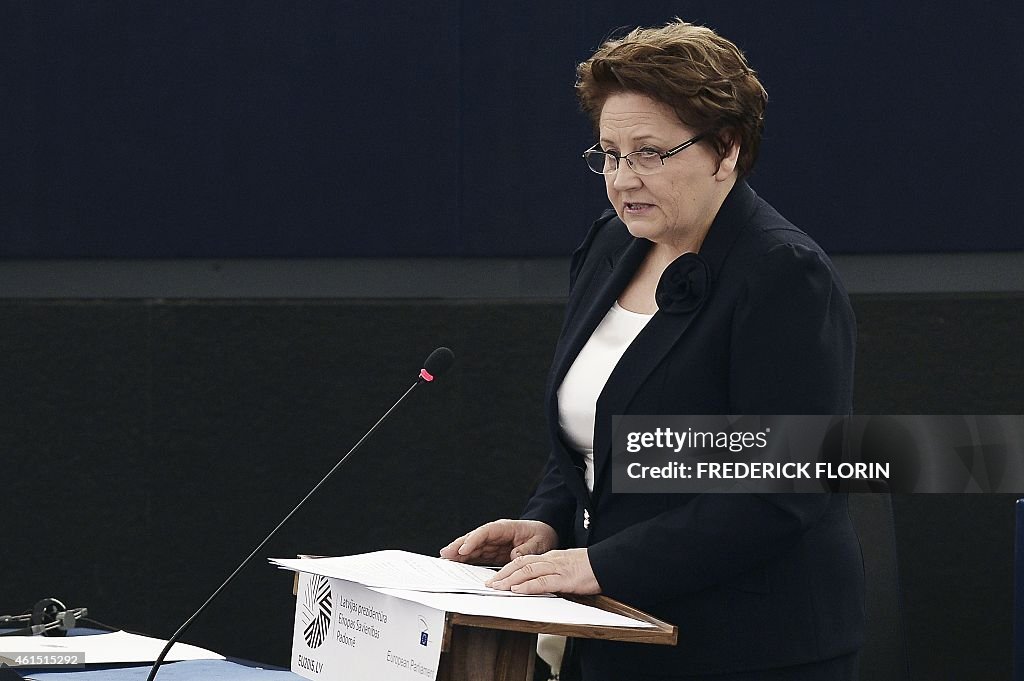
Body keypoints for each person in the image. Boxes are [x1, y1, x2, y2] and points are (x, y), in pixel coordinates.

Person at [441, 19, 863, 681]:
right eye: (608, 153)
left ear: (726, 149)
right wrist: (549, 521)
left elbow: (780, 492)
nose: (621, 177)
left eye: (649, 153)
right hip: (614, 629)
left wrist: (600, 562)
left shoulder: (784, 274)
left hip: (747, 649)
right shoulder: (613, 243)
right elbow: (594, 429)